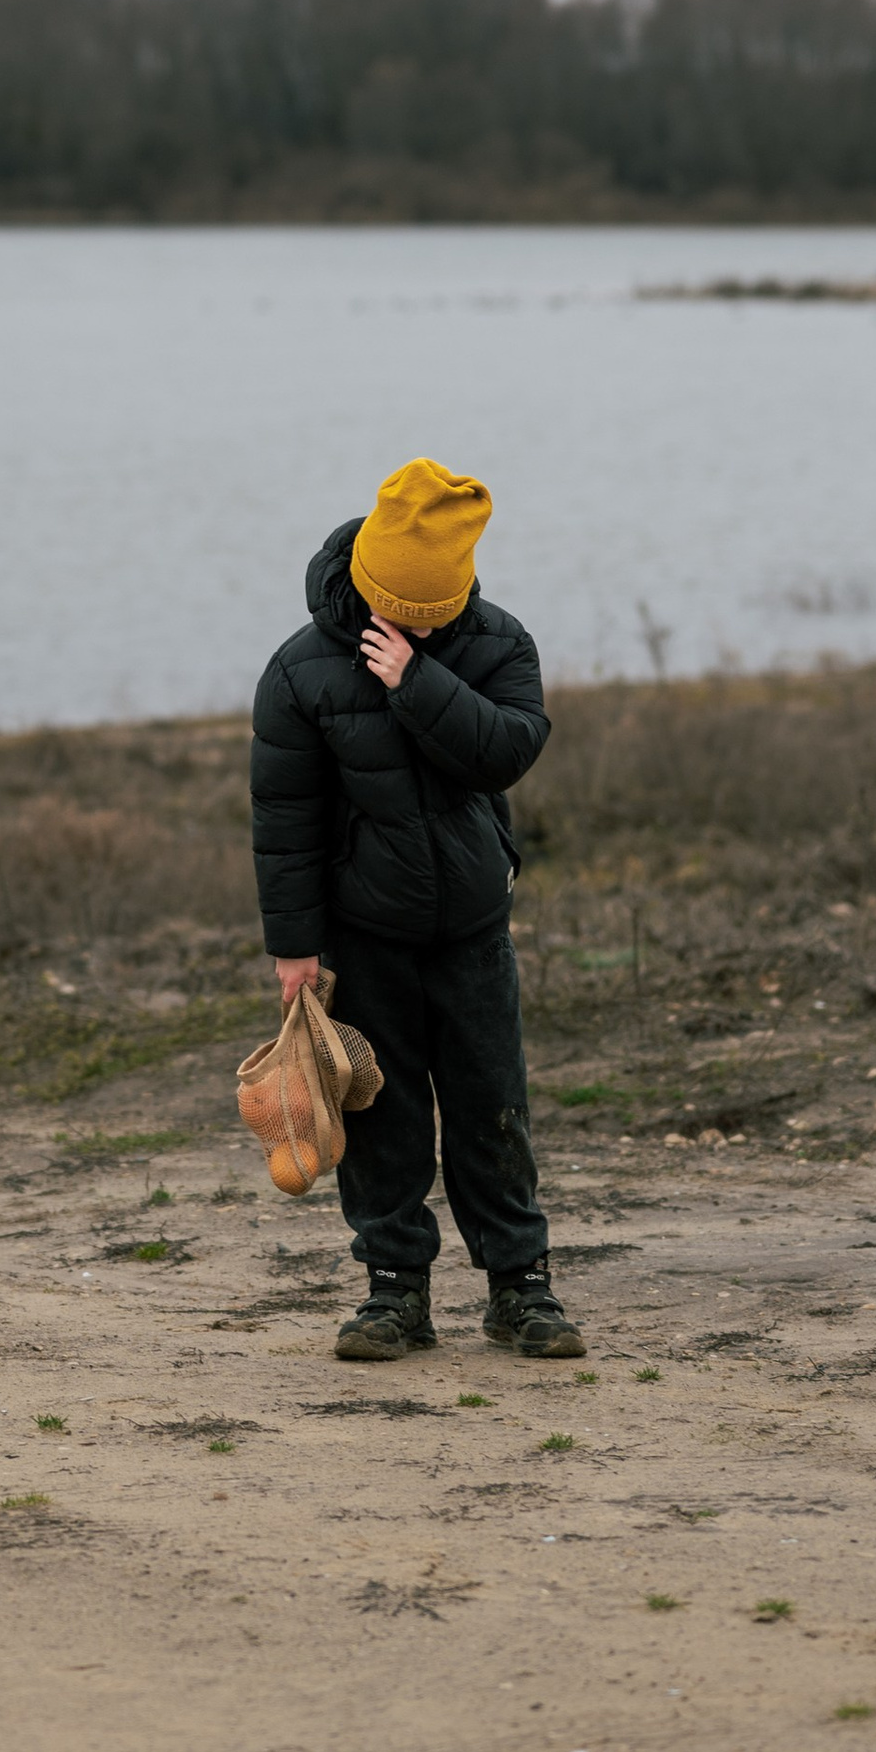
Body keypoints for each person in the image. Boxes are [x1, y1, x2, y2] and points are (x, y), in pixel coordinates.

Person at [249, 457, 583, 1364]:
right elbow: (285, 820)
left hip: (473, 931)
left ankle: (521, 1289)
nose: (418, 627)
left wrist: (417, 680)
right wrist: (294, 948)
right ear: (369, 579)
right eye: (404, 611)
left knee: (492, 1111)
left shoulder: (500, 643)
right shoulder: (299, 671)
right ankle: (394, 1294)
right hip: (364, 937)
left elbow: (509, 751)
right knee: (382, 1120)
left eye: (434, 614)